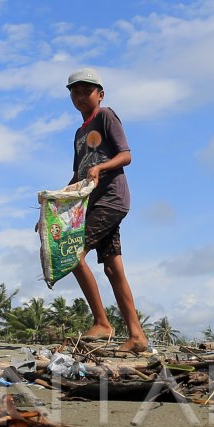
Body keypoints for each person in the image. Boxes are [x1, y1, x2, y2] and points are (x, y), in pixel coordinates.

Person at [63, 67, 148, 353]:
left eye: (87, 90)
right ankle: (137, 337)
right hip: (93, 202)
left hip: (111, 199)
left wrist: (101, 167)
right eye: (75, 91)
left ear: (100, 94)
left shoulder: (106, 116)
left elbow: (126, 155)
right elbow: (78, 175)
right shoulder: (79, 133)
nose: (80, 95)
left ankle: (103, 323)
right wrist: (53, 206)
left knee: (72, 254)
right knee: (113, 267)